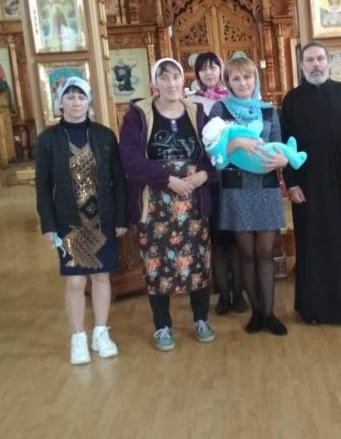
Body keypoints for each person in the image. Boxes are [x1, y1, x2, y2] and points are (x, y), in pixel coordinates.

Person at [119, 58, 214, 351]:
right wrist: (167, 179)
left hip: (192, 199)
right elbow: (130, 159)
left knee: (198, 260)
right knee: (156, 265)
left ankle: (201, 319)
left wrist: (203, 175)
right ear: (154, 83)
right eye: (164, 77)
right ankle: (162, 325)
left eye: (176, 76)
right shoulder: (138, 115)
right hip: (155, 201)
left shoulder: (198, 112)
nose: (171, 83)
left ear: (183, 81)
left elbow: (216, 151)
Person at [35, 77, 127, 365]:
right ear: (60, 103)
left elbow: (118, 180)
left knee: (101, 276)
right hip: (68, 221)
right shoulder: (48, 139)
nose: (76, 102)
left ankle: (101, 333)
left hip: (103, 218)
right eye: (70, 97)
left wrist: (121, 217)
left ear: (89, 101)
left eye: (81, 97)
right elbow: (42, 186)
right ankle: (78, 337)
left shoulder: (104, 135)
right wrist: (48, 224)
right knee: (75, 282)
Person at [281, 42, 341, 324]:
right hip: (308, 183)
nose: (316, 64)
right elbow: (285, 146)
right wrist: (292, 184)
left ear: (328, 62)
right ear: (301, 65)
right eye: (310, 60)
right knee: (314, 244)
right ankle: (314, 308)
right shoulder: (292, 99)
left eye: (320, 58)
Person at [207, 54, 288, 336]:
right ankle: (255, 312)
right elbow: (212, 150)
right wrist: (235, 144)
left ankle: (269, 313)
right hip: (235, 189)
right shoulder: (219, 110)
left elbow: (279, 145)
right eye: (236, 78)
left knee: (265, 252)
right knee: (246, 253)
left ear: (256, 79)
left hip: (266, 187)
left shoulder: (269, 111)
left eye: (247, 77)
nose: (243, 83)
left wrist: (283, 160)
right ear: (228, 82)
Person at [190, 52, 247, 316]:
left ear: (221, 70)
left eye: (213, 67)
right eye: (203, 69)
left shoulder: (234, 100)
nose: (209, 72)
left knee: (237, 238)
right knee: (218, 240)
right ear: (197, 75)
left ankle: (239, 293)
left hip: (235, 176)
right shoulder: (192, 103)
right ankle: (223, 295)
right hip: (210, 180)